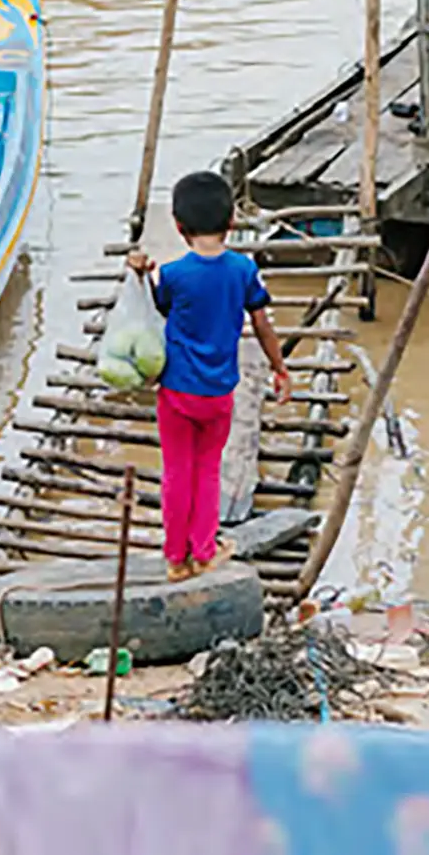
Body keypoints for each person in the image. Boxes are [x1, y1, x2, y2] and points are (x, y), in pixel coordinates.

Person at [126, 171, 291, 583]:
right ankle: (203, 550)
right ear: (232, 221)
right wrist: (280, 367)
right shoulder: (242, 270)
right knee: (208, 470)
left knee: (177, 472)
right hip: (219, 393)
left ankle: (174, 558)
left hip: (177, 391)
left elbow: (156, 308)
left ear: (180, 228)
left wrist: (144, 273)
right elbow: (263, 325)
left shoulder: (176, 274)